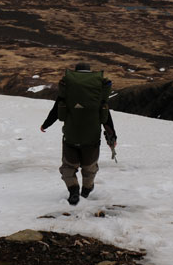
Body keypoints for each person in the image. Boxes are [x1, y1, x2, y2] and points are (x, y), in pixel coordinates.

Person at [40, 63, 118, 205]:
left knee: (68, 167)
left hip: (71, 137)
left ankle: (73, 191)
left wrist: (45, 124)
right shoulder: (97, 92)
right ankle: (87, 190)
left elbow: (56, 110)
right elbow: (106, 116)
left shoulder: (68, 89)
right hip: (92, 138)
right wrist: (112, 137)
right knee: (90, 167)